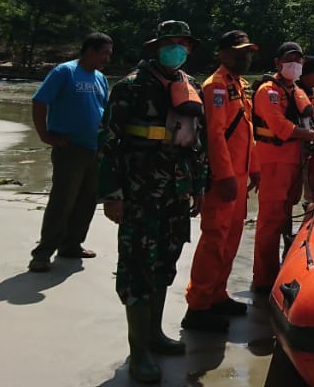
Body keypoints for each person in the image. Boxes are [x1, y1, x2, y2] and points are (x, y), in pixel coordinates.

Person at [97, 20, 207, 383]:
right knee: (138, 269)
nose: (178, 49)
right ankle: (139, 350)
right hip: (140, 193)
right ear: (157, 46)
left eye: (183, 44)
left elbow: (196, 141)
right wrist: (112, 195)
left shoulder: (188, 86)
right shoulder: (130, 87)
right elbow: (108, 143)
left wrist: (199, 186)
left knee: (166, 261)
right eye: (171, 43)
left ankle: (155, 335)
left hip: (176, 193)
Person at [182, 29, 260, 331]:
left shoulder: (238, 86)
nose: (246, 57)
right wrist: (225, 176)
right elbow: (215, 135)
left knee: (231, 239)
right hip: (223, 178)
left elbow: (246, 130)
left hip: (239, 176)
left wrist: (254, 168)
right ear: (224, 54)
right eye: (239, 52)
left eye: (248, 52)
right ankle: (198, 306)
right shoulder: (215, 86)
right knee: (215, 239)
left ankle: (218, 294)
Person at [27, 32, 112, 273]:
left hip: (95, 148)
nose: (107, 58)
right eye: (104, 53)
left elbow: (104, 111)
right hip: (69, 148)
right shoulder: (64, 71)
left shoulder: (101, 78)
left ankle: (72, 244)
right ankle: (42, 253)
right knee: (62, 201)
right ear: (90, 50)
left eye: (109, 54)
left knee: (87, 199)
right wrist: (44, 135)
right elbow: (39, 101)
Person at [250, 43, 314, 293]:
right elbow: (280, 127)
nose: (294, 64)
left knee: (285, 216)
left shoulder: (297, 91)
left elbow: (310, 122)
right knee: (269, 220)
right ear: (277, 63)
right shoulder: (268, 91)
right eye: (289, 59)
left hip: (295, 161)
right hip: (274, 161)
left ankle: (279, 270)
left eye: (298, 60)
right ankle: (263, 279)